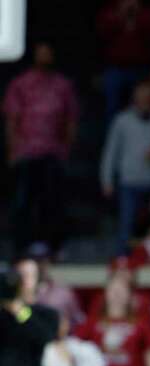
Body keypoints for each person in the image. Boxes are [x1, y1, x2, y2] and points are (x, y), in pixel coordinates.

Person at [3, 42, 79, 255]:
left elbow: (71, 119)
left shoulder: (63, 85)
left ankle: (52, 246)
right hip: (26, 151)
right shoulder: (20, 83)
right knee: (22, 203)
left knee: (52, 202)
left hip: (53, 151)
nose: (44, 57)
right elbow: (12, 119)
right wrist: (12, 150)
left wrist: (67, 149)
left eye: (48, 53)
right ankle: (21, 247)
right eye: (40, 53)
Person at [100, 82, 150, 254]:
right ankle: (123, 262)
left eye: (148, 98)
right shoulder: (122, 121)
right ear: (135, 99)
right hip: (130, 184)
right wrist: (106, 179)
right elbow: (111, 151)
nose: (145, 101)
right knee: (127, 227)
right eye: (141, 98)